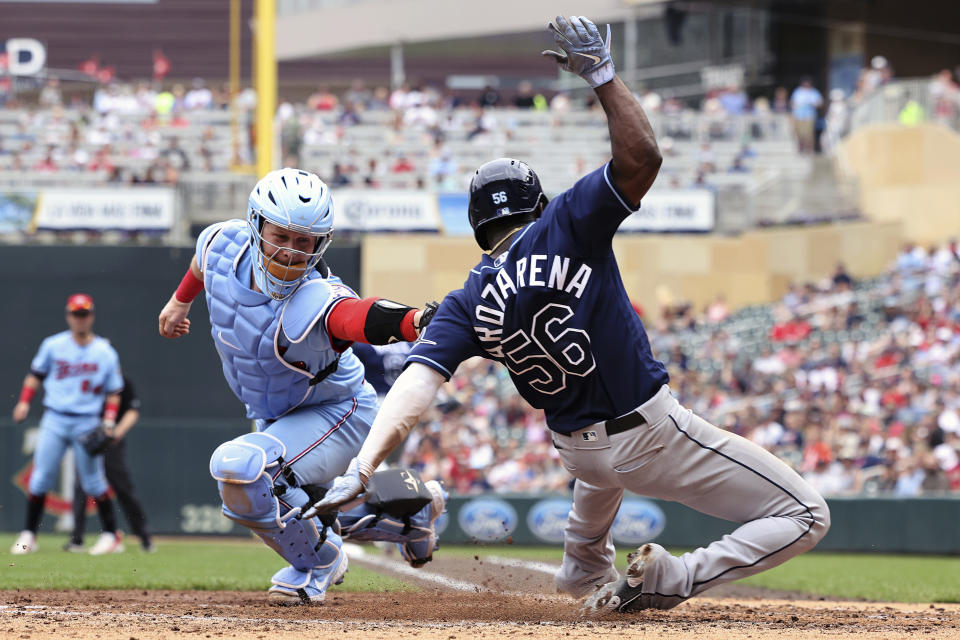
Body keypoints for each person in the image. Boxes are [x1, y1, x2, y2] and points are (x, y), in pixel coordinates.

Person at [306, 15, 830, 617]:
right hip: (648, 432)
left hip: (576, 453)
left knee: (600, 481)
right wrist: (603, 77)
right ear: (539, 202)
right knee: (807, 513)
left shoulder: (465, 301)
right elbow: (643, 158)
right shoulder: (566, 222)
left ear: (478, 229)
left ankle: (583, 567)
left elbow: (415, 387)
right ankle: (677, 577)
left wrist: (365, 464)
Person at [157, 167, 446, 605]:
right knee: (284, 506)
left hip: (337, 411)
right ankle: (411, 515)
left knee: (242, 469)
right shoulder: (221, 240)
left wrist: (416, 321)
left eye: (305, 241)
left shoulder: (316, 295)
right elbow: (203, 263)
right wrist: (180, 301)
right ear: (255, 226)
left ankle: (320, 562)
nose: (292, 252)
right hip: (277, 414)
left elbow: (359, 316)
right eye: (282, 236)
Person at [10, 293, 126, 556]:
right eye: (76, 314)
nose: (80, 319)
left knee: (94, 482)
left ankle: (111, 536)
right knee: (40, 478)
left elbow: (114, 391)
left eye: (84, 314)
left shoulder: (104, 351)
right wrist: (24, 402)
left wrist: (108, 420)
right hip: (55, 418)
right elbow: (34, 376)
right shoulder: (53, 345)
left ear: (91, 316)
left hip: (87, 421)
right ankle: (29, 534)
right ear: (68, 316)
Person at [67, 374, 154, 553]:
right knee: (81, 486)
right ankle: (77, 539)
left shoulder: (121, 381)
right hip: (88, 437)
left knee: (122, 488)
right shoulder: (87, 379)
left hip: (110, 442)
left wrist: (117, 432)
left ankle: (144, 538)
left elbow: (132, 410)